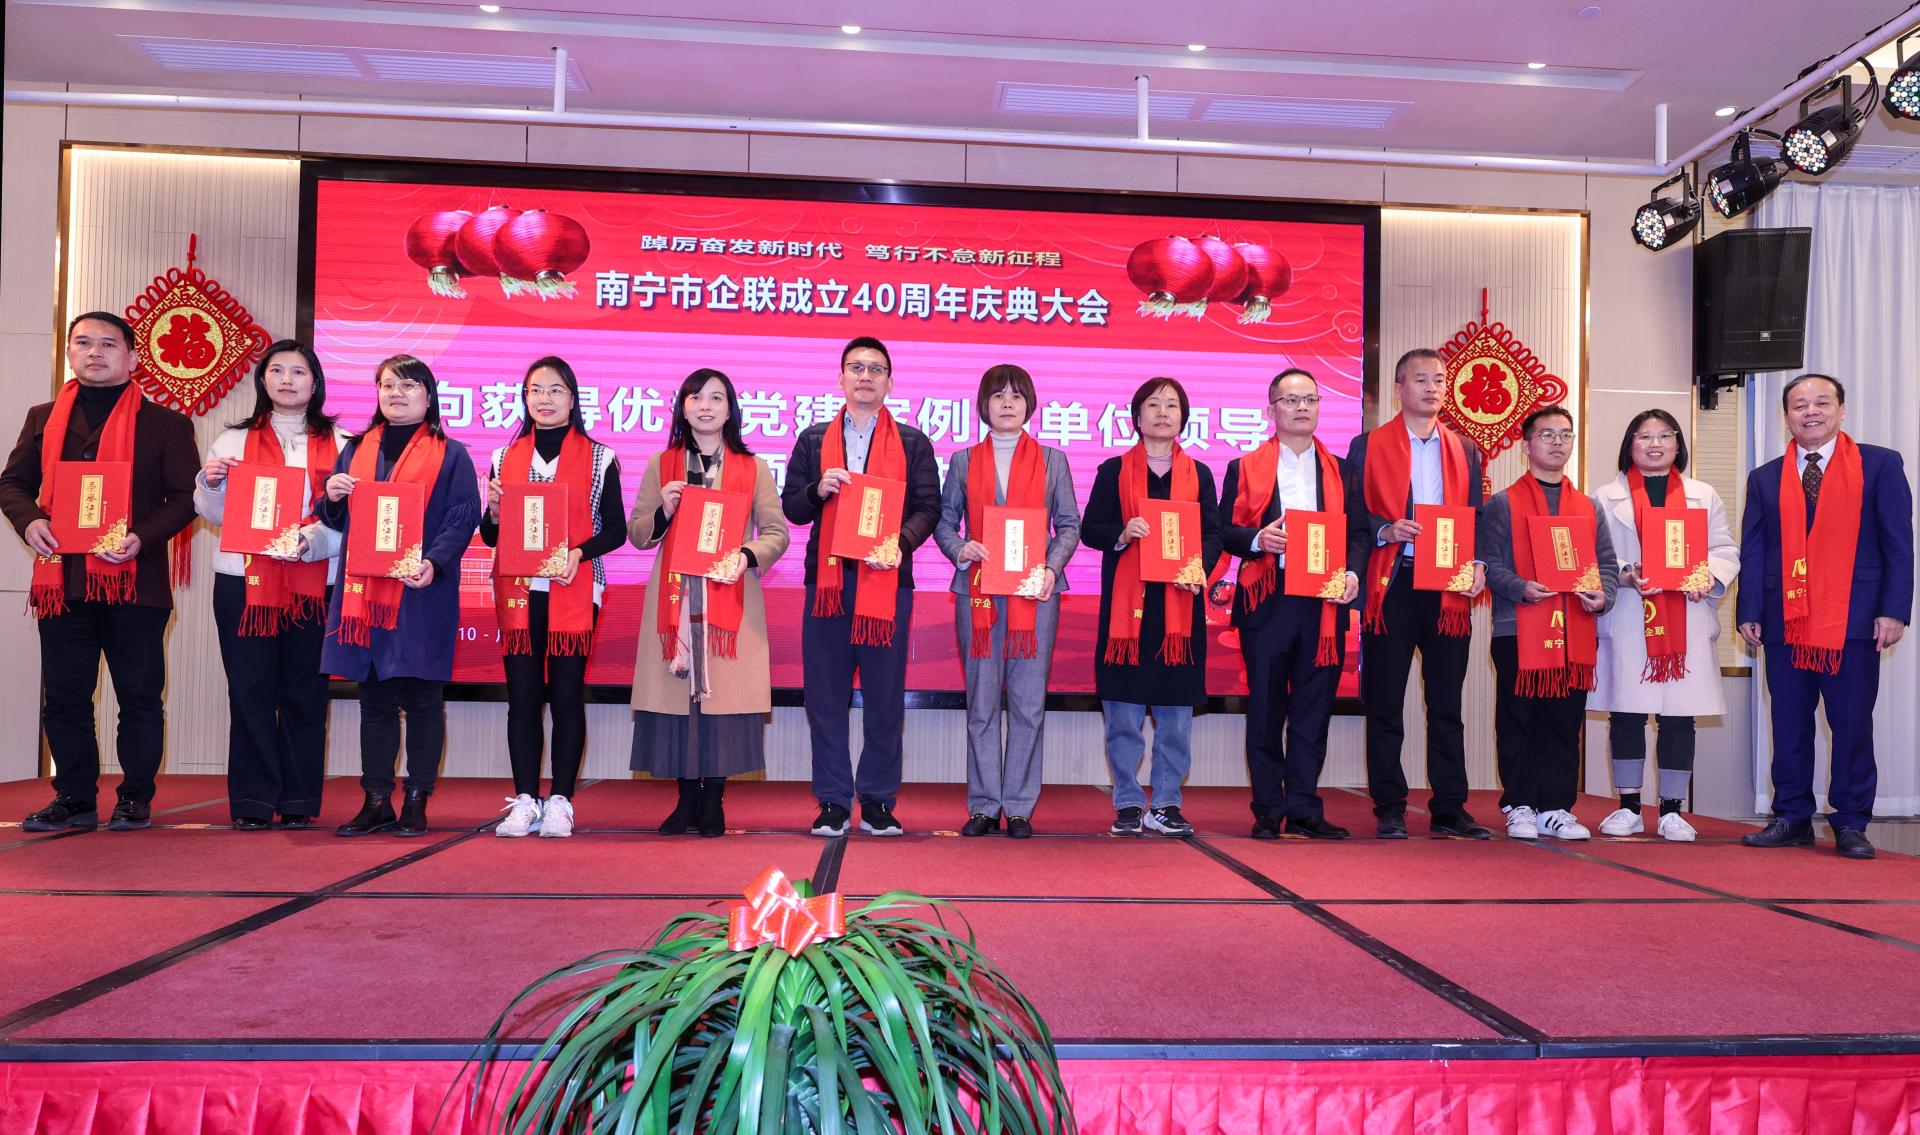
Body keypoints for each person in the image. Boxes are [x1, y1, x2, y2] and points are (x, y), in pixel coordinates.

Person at [2, 312, 197, 832]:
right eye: (83, 342)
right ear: (69, 352)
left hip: (136, 582)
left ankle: (135, 797)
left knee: (139, 697)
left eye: (108, 344)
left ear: (131, 357)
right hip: (62, 582)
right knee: (65, 697)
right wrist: (31, 521)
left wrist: (141, 538)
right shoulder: (43, 418)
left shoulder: (166, 423)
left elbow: (185, 498)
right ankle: (74, 797)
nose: (94, 352)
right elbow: (12, 484)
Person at [1738, 374, 1912, 860]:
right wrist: (1750, 609)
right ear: (1786, 416)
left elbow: (1899, 544)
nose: (1810, 412)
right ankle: (1792, 816)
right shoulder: (1766, 477)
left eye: (1821, 403)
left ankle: (1852, 821)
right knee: (1789, 723)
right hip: (1785, 620)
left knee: (1852, 725)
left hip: (1855, 620)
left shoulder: (1880, 464)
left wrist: (1894, 610)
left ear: (1841, 410)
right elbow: (1755, 549)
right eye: (1799, 405)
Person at [782, 336, 941, 837]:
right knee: (825, 697)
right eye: (856, 367)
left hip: (887, 583)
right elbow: (792, 508)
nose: (865, 376)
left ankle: (876, 800)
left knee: (884, 697)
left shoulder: (913, 443)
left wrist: (901, 543)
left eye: (876, 368)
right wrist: (817, 490)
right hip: (828, 585)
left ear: (890, 382)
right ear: (841, 378)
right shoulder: (813, 440)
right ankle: (832, 801)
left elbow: (929, 508)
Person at [319, 355, 481, 838]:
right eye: (387, 385)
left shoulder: (452, 453)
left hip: (421, 591)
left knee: (423, 700)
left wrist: (435, 562)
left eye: (408, 385)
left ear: (429, 396)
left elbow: (462, 517)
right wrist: (331, 496)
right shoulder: (355, 450)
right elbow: (334, 519)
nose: (396, 393)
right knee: (375, 702)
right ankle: (375, 801)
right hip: (365, 594)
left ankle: (416, 799)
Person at [629, 368, 790, 837]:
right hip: (675, 599)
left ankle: (713, 800)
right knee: (677, 700)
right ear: (682, 407)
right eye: (696, 397)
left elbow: (776, 532)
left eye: (716, 398)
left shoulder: (753, 467)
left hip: (729, 594)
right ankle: (686, 801)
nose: (705, 406)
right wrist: (663, 510)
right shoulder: (662, 465)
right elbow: (638, 533)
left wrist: (746, 556)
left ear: (729, 409)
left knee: (723, 702)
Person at [193, 340, 346, 830]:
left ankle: (298, 800)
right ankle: (253, 802)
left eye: (298, 372)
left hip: (315, 581)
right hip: (243, 582)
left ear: (315, 382)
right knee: (250, 689)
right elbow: (215, 516)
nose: (286, 380)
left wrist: (311, 542)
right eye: (276, 371)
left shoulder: (345, 443)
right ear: (263, 381)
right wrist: (210, 484)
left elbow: (351, 519)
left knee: (304, 691)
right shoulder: (232, 440)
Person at [1347, 347, 1489, 840]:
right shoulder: (1368, 446)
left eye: (1439, 380)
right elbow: (1353, 515)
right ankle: (1389, 805)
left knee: (1447, 703)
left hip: (1447, 589)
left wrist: (1478, 564)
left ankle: (1450, 807)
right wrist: (1386, 530)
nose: (1432, 388)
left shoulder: (1465, 449)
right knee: (1385, 701)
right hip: (1391, 585)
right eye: (1421, 379)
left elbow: (1475, 518)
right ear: (1399, 388)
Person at [480, 357, 625, 839]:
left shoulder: (600, 457)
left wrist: (578, 553)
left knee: (566, 695)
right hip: (518, 591)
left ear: (573, 398)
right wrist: (494, 509)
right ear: (524, 398)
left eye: (556, 390)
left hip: (575, 586)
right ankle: (525, 799)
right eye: (535, 390)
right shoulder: (504, 456)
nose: (545, 399)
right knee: (522, 697)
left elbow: (617, 530)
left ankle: (561, 800)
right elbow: (490, 535)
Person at [934, 364, 1080, 839]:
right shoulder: (962, 460)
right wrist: (961, 549)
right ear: (984, 404)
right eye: (998, 395)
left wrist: (1051, 568)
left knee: (1027, 703)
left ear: (1029, 404)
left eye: (1017, 395)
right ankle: (983, 805)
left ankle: (1018, 806)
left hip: (1036, 595)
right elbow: (944, 522)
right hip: (977, 593)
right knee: (981, 703)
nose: (1008, 403)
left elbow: (1069, 525)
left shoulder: (1053, 460)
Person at [1220, 368, 1365, 840]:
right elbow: (1224, 531)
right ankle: (1268, 808)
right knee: (1265, 707)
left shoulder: (1342, 470)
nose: (1302, 407)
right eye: (1291, 400)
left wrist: (1352, 573)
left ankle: (1304, 807)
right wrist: (1257, 539)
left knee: (1313, 709)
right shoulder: (1244, 467)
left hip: (1323, 602)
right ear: (1271, 410)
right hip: (1268, 599)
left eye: (1310, 399)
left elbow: (1359, 533)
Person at [1080, 377, 1222, 837]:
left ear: (1183, 417)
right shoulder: (1113, 471)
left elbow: (1214, 533)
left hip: (1179, 609)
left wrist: (1201, 565)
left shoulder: (1199, 474)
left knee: (1176, 718)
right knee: (1123, 717)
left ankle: (1165, 803)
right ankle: (1126, 802)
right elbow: (1090, 528)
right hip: (1127, 613)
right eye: (1154, 404)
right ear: (1137, 416)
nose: (1163, 413)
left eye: (1172, 405)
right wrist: (1122, 533)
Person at [1590, 410, 1739, 842]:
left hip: (1685, 616)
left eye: (1664, 436)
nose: (1654, 444)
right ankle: (1629, 807)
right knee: (1627, 712)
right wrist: (1624, 572)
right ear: (1629, 445)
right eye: (1644, 436)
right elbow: (1593, 554)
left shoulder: (1702, 494)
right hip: (1630, 614)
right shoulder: (1604, 497)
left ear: (1677, 444)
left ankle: (1672, 810)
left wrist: (1706, 577)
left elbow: (1724, 549)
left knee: (1678, 715)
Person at [1478, 406, 1617, 840]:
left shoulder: (1588, 507)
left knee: (1563, 721)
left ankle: (1555, 807)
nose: (1558, 442)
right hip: (1518, 628)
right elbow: (1488, 562)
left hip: (1574, 630)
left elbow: (1607, 564)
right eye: (1547, 435)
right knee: (1518, 719)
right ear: (1526, 446)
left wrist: (1604, 596)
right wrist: (1520, 587)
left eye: (1565, 435)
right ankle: (1520, 804)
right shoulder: (1503, 503)